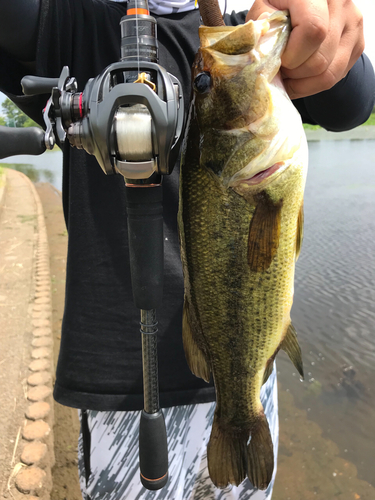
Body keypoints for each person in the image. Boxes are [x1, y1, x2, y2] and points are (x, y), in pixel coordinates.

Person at [0, 0, 373, 498]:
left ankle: (238, 414)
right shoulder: (77, 24)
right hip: (123, 388)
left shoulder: (246, 35)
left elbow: (354, 102)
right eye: (202, 83)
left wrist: (328, 28)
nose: (210, 73)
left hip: (246, 373)